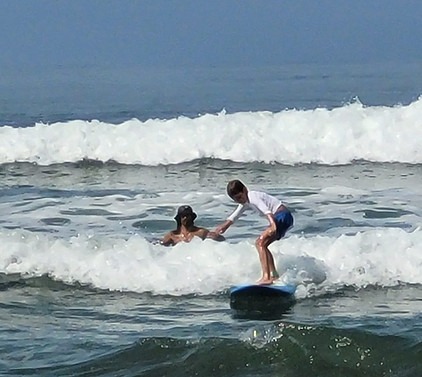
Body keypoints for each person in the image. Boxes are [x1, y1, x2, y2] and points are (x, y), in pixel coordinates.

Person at [214, 180, 293, 285]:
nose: (239, 201)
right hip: (282, 217)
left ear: (244, 189)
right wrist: (224, 226)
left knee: (259, 243)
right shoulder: (246, 201)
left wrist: (273, 224)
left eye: (240, 197)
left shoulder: (252, 196)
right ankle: (273, 274)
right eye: (236, 200)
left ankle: (266, 277)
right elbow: (236, 214)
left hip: (281, 216)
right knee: (263, 245)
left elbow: (266, 210)